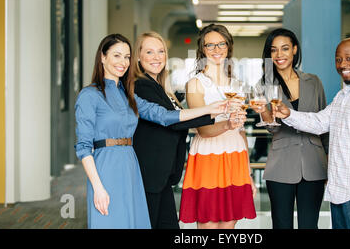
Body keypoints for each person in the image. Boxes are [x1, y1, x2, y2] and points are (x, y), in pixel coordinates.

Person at [74, 34, 227, 229]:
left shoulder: (127, 94)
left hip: (131, 165)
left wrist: (209, 109)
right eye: (117, 56)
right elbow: (84, 147)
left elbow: (163, 115)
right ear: (103, 57)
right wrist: (97, 187)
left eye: (127, 57)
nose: (123, 62)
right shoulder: (89, 95)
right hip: (107, 166)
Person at [273, 37, 350, 229]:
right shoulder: (344, 95)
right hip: (340, 193)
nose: (342, 65)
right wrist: (288, 114)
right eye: (338, 59)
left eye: (349, 59)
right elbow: (320, 122)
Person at [131, 31, 245, 229]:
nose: (157, 57)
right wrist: (212, 112)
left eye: (161, 51)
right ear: (138, 57)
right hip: (151, 172)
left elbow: (176, 120)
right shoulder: (142, 85)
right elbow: (171, 121)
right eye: (149, 52)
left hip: (162, 174)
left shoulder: (159, 86)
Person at [179, 24, 257, 229]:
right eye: (210, 45)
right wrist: (228, 123)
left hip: (235, 155)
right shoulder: (195, 84)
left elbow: (240, 131)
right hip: (208, 155)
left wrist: (248, 172)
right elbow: (203, 130)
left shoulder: (236, 84)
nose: (216, 49)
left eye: (221, 44)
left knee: (229, 226)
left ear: (228, 47)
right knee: (209, 225)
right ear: (202, 49)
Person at [250, 28, 328, 229]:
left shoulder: (313, 82)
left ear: (294, 50)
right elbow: (273, 129)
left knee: (309, 226)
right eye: (274, 50)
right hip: (281, 165)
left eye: (285, 49)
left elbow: (323, 124)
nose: (279, 55)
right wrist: (264, 112)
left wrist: (330, 163)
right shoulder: (263, 85)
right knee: (281, 225)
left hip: (314, 164)